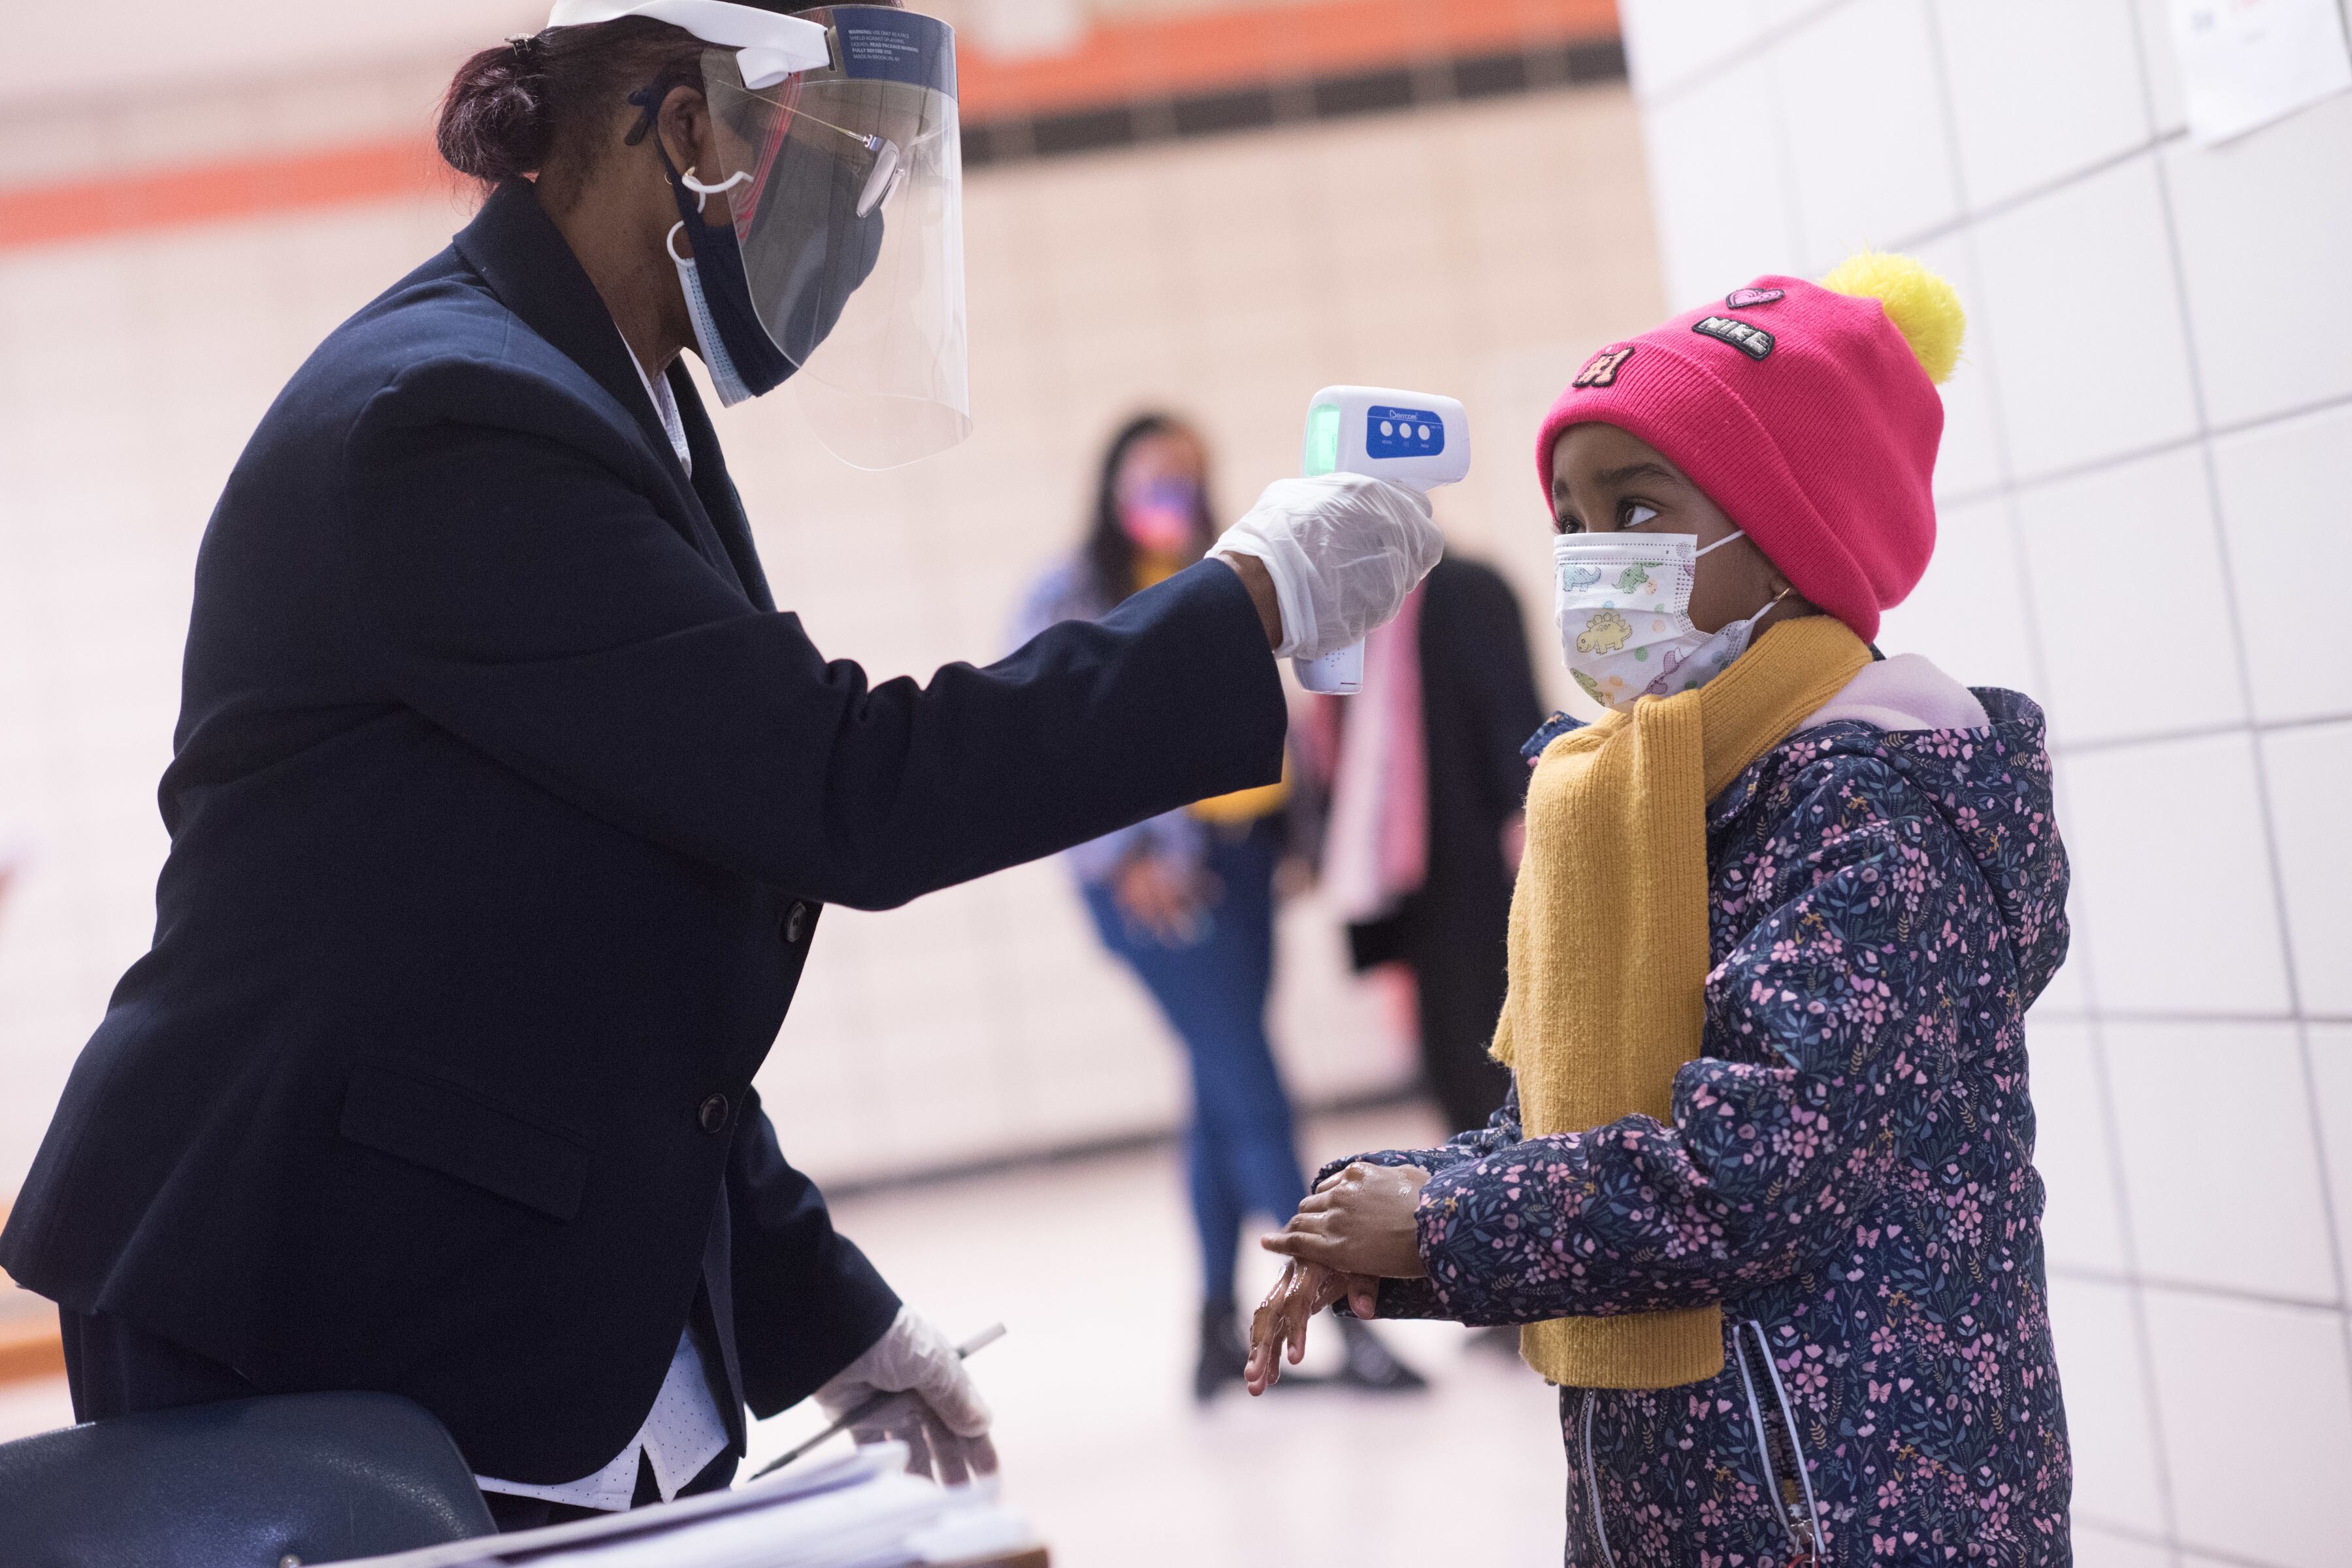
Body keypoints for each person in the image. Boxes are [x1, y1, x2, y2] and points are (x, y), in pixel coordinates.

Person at [0, 1, 1441, 1529]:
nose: (866, 222)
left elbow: (592, 940)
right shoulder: (447, 417)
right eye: (845, 162)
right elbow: (844, 786)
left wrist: (818, 1304)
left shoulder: (615, 393)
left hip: (513, 1260)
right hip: (331, 1279)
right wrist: (1247, 602)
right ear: (685, 124)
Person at [1246, 255, 2074, 1564]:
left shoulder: (1871, 810)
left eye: (1638, 513)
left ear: (1789, 537)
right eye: (1574, 523)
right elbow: (1565, 1132)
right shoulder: (1647, 798)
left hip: (1864, 1502)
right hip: (1698, 1491)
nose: (1592, 564)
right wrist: (1388, 1217)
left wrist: (1441, 1223)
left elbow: (1749, 1176)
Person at [1015, 414, 1423, 1401]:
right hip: (1158, 882)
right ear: (1113, 480)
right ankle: (1333, 1312)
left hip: (1240, 868)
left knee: (1216, 1084)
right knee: (1252, 1082)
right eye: (1157, 475)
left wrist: (1294, 840)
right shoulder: (1068, 591)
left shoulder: (1215, 568)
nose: (1176, 493)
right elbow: (1039, 739)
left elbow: (1270, 706)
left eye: (1191, 477)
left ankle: (1209, 1325)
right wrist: (1122, 861)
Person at [1298, 551, 1544, 1138]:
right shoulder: (1347, 615)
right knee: (1441, 1052)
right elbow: (1332, 742)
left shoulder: (1469, 588)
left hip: (1475, 859)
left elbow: (1513, 714)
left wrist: (1531, 822)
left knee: (1488, 1047)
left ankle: (1501, 1192)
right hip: (1397, 871)